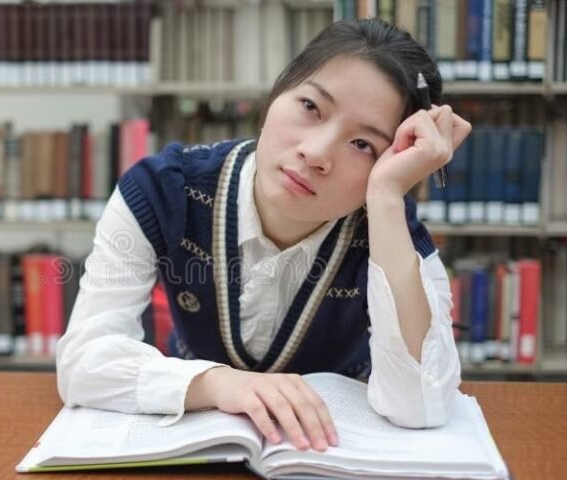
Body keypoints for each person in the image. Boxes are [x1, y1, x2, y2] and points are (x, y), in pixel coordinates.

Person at [56, 18, 472, 453]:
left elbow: (421, 406)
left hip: (327, 456)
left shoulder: (390, 229)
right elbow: (83, 361)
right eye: (311, 107)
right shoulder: (165, 189)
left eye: (363, 145)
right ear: (277, 94)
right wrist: (218, 384)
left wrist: (387, 196)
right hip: (193, 452)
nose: (315, 153)